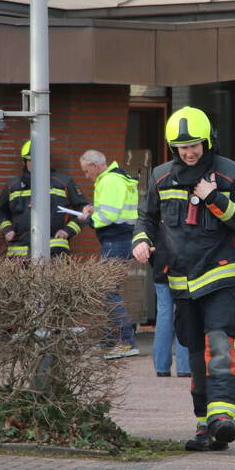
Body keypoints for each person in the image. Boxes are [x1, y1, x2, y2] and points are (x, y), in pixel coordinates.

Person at [132, 106, 235, 452]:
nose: (189, 152)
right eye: (182, 147)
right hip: (181, 284)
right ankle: (205, 425)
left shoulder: (231, 174)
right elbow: (147, 218)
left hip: (220, 279)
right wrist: (141, 240)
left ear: (208, 141)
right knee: (195, 353)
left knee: (220, 345)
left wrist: (214, 198)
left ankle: (223, 418)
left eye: (195, 145)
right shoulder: (160, 177)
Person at [78, 150, 140, 359]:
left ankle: (125, 342)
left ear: (96, 166)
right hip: (121, 239)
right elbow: (114, 209)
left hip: (116, 240)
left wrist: (89, 218)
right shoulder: (116, 178)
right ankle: (109, 341)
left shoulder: (110, 181)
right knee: (106, 290)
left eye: (87, 171)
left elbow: (109, 215)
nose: (87, 176)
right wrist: (94, 209)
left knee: (107, 291)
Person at [0, 140, 89, 260]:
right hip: (19, 252)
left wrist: (68, 231)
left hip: (55, 250)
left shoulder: (63, 182)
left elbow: (83, 210)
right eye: (31, 160)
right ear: (24, 161)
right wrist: (7, 230)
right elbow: (0, 214)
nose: (36, 164)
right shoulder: (12, 186)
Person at [150, 226, 190, 377]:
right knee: (185, 315)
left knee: (164, 315)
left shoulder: (159, 213)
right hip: (183, 270)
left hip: (161, 267)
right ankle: (185, 368)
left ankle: (161, 367)